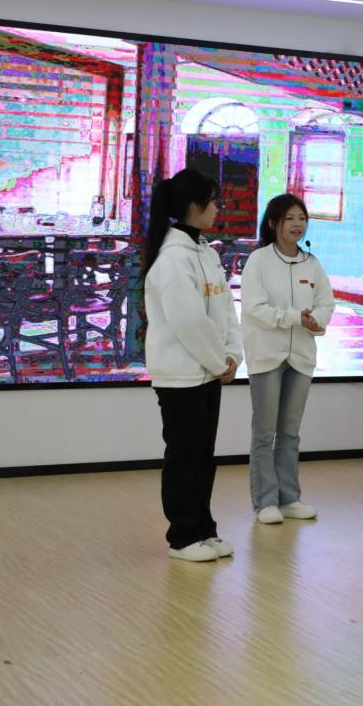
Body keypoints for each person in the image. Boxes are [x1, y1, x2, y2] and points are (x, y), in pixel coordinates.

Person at [142, 169, 243, 562]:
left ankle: (204, 528)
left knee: (203, 456)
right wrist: (219, 361)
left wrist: (233, 354)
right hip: (181, 376)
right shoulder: (172, 258)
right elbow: (188, 322)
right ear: (193, 206)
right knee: (184, 457)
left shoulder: (207, 252)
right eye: (214, 201)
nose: (219, 207)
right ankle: (182, 537)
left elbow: (225, 309)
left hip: (208, 373)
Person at [240, 193, 334, 525]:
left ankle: (289, 498)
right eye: (289, 218)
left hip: (301, 357)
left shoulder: (312, 263)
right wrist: (295, 317)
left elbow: (326, 303)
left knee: (290, 433)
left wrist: (316, 320)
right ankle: (265, 501)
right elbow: (254, 308)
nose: (297, 224)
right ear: (272, 223)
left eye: (301, 218)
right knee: (264, 433)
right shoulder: (258, 261)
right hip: (267, 356)